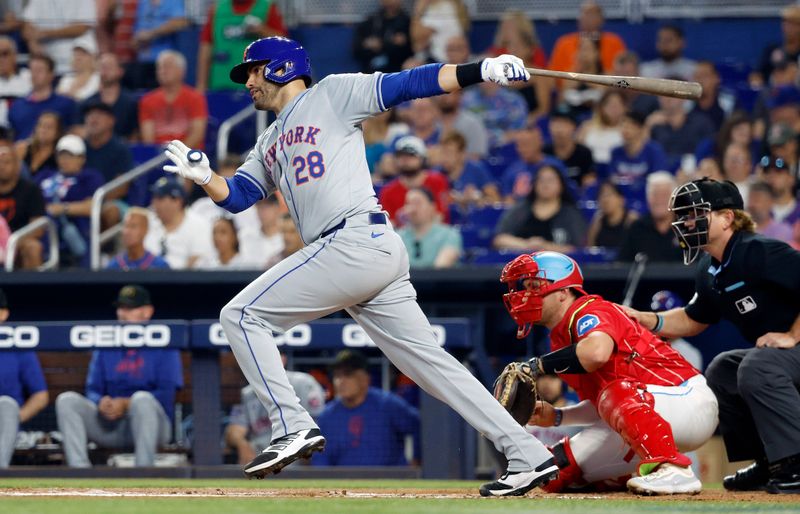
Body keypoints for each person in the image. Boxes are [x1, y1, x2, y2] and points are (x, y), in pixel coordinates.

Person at [162, 36, 560, 496]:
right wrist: (205, 177)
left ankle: (292, 424)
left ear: (282, 68)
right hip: (363, 251)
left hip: (353, 240)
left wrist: (481, 69)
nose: (248, 80)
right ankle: (528, 453)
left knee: (240, 315)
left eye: (254, 70)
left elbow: (408, 84)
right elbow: (238, 197)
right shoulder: (269, 139)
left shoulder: (329, 94)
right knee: (434, 367)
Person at [623, 178, 800, 494]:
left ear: (727, 217)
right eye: (684, 216)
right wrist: (642, 319)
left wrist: (791, 334)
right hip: (785, 358)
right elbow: (692, 319)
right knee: (723, 369)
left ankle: (796, 462)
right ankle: (770, 462)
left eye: (695, 214)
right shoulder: (709, 267)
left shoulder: (758, 250)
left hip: (793, 347)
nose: (686, 223)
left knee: (757, 366)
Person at [500, 251, 717, 494]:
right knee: (553, 473)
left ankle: (673, 469)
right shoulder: (560, 342)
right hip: (646, 412)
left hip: (687, 399)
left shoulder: (589, 309)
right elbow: (604, 407)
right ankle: (624, 478)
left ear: (563, 291)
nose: (526, 294)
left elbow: (596, 354)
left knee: (615, 392)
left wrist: (537, 366)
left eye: (535, 286)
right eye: (525, 287)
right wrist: (559, 417)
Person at [56, 284, 183, 468]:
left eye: (130, 308)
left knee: (142, 399)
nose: (123, 314)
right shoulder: (106, 343)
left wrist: (126, 403)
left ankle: (143, 473)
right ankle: (80, 471)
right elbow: (92, 389)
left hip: (154, 427)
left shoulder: (164, 343)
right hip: (111, 425)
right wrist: (101, 401)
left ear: (147, 312)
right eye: (121, 308)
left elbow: (166, 393)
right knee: (67, 400)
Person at [311, 350, 419, 466]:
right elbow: (320, 460)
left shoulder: (387, 404)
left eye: (348, 375)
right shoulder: (327, 416)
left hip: (389, 480)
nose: (340, 381)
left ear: (364, 379)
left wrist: (418, 460)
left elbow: (421, 426)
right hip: (344, 482)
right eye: (337, 376)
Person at [226, 353, 325, 465]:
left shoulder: (303, 383)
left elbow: (321, 425)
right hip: (261, 462)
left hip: (295, 462)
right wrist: (242, 444)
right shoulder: (248, 393)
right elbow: (234, 431)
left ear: (282, 359)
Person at [35, 134, 105, 268]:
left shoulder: (89, 177)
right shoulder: (45, 175)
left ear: (82, 158)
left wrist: (62, 208)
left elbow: (93, 207)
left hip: (74, 226)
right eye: (61, 155)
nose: (64, 160)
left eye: (70, 156)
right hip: (41, 223)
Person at [0, 288, 49, 468]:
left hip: (4, 425)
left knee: (5, 404)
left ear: (4, 314)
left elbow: (40, 396)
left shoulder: (19, 345)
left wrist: (13, 418)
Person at [197, 0, 287, 92]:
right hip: (221, 83)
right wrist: (201, 84)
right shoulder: (217, 9)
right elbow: (206, 47)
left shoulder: (267, 7)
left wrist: (262, 30)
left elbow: (284, 43)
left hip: (257, 85)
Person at [494, 165, 586, 253]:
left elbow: (577, 248)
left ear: (561, 184)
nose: (545, 184)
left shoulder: (571, 214)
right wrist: (526, 245)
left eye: (550, 180)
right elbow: (500, 239)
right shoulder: (520, 210)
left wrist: (545, 247)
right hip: (521, 265)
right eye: (541, 180)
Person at [139, 50, 208, 150]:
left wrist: (179, 153)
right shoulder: (147, 100)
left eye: (168, 66)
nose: (163, 71)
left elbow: (197, 134)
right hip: (157, 157)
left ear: (181, 71)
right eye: (160, 67)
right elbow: (148, 139)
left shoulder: (195, 98)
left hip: (188, 156)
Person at [144, 176, 214, 269]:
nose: (154, 202)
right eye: (154, 198)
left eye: (160, 198)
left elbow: (199, 259)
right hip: (148, 278)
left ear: (177, 201)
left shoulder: (198, 224)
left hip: (186, 280)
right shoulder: (148, 221)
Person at [83, 100, 134, 228]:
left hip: (111, 201)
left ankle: (108, 248)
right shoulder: (79, 147)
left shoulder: (120, 149)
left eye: (99, 115)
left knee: (111, 211)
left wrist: (95, 201)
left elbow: (121, 188)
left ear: (111, 121)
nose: (93, 119)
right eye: (89, 115)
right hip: (81, 199)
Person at [378, 135, 450, 225]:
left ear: (423, 159)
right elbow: (389, 225)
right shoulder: (388, 191)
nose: (405, 160)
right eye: (400, 156)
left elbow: (441, 217)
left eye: (411, 155)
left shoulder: (437, 181)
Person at [8, 54, 77, 141]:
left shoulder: (66, 104)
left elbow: (74, 132)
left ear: (51, 74)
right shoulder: (17, 106)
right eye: (32, 70)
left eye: (39, 70)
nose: (34, 74)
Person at [0, 140, 46, 269]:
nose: (2, 166)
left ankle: (32, 288)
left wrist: (11, 241)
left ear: (17, 166)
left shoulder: (31, 190)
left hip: (19, 241)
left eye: (6, 162)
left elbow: (38, 228)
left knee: (33, 247)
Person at [617, 172, 683, 263]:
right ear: (648, 199)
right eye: (655, 194)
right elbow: (621, 266)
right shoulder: (636, 229)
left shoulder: (687, 229)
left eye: (664, 195)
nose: (659, 199)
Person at [549, 1, 626, 77]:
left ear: (602, 19)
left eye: (593, 13)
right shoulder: (564, 43)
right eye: (585, 13)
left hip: (605, 86)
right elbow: (555, 77)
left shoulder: (614, 42)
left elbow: (621, 77)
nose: (588, 17)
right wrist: (579, 65)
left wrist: (594, 66)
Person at [21, 0, 97, 76]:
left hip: (73, 64)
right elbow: (27, 24)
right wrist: (32, 42)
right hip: (48, 65)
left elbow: (82, 27)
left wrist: (44, 33)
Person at [128, 0, 188, 90]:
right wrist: (137, 41)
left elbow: (180, 22)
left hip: (165, 63)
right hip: (142, 62)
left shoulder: (173, 2)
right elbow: (136, 32)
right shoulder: (143, 3)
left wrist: (152, 34)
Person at [648, 92, 715, 171]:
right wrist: (647, 126)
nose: (667, 99)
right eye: (663, 96)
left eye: (672, 96)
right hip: (661, 173)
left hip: (694, 171)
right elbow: (643, 152)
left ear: (684, 98)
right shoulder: (654, 124)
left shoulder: (701, 122)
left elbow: (711, 151)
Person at [607, 110, 668, 197]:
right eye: (622, 124)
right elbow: (612, 181)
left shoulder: (654, 151)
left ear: (641, 128)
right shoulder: (615, 152)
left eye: (630, 125)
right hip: (621, 200)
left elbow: (658, 181)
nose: (625, 128)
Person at [398, 187, 462, 269]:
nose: (412, 209)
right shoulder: (397, 237)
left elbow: (440, 268)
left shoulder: (449, 235)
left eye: (417, 203)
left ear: (432, 207)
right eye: (408, 204)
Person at [500, 123, 566, 203]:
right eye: (519, 145)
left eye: (527, 144)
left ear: (539, 142)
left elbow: (565, 195)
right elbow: (507, 200)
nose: (523, 149)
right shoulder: (512, 171)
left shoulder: (555, 166)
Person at [81, 52, 139, 140]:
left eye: (109, 67)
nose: (105, 71)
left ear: (120, 71)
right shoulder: (88, 104)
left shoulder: (131, 102)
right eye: (102, 67)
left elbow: (136, 135)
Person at [461, 79, 528, 149]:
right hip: (474, 149)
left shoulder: (514, 100)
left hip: (508, 149)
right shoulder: (466, 100)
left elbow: (519, 132)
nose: (486, 79)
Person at [438, 131, 498, 208]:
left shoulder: (476, 169)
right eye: (442, 152)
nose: (444, 157)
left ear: (462, 154)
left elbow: (496, 200)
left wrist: (478, 199)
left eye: (449, 153)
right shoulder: (437, 173)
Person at [353, 0, 412, 74]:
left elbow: (411, 51)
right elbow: (357, 48)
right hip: (370, 72)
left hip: (397, 72)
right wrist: (367, 44)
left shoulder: (408, 22)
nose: (390, 2)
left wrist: (385, 45)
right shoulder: (370, 22)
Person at [544, 106, 595, 188]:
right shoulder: (544, 152)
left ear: (574, 127)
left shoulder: (584, 153)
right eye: (555, 123)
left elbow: (589, 182)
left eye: (564, 123)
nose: (559, 129)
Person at [435, 89, 488, 159]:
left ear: (459, 95)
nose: (444, 96)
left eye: (448, 92)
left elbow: (477, 157)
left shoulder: (472, 123)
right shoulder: (427, 121)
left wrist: (449, 158)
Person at [577, 90, 625, 166]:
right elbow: (577, 150)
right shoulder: (587, 126)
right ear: (602, 107)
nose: (614, 109)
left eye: (617, 105)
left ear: (624, 108)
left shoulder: (627, 130)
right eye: (610, 105)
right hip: (589, 168)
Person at [756, 4, 800, 86]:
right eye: (786, 23)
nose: (788, 27)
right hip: (770, 94)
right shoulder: (771, 49)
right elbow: (757, 75)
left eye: (794, 24)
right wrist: (757, 84)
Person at [586, 180, 637, 250]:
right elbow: (590, 250)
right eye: (602, 195)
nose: (605, 199)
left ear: (621, 200)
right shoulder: (597, 222)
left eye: (609, 195)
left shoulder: (632, 220)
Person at [239, 195, 285, 268]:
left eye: (266, 206)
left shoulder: (286, 236)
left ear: (277, 208)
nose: (262, 211)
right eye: (259, 206)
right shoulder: (247, 236)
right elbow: (246, 266)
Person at [14, 111, 62, 178]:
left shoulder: (59, 155)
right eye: (40, 125)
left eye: (49, 127)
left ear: (57, 132)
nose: (43, 130)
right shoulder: (23, 148)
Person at [0, 36, 32, 128]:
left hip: (25, 128)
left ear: (15, 55)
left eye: (5, 54)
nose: (1, 59)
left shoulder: (29, 77)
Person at [761, 155, 800, 225]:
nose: (772, 176)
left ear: (791, 179)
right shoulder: (757, 210)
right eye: (768, 173)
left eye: (778, 172)